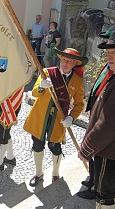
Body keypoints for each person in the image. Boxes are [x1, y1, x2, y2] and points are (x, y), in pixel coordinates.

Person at [78, 29, 115, 209]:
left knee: (103, 194)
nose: (109, 57)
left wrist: (86, 149)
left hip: (111, 151)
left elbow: (109, 124)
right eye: (108, 53)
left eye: (114, 52)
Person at [24, 48, 87, 187]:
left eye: (69, 61)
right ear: (60, 59)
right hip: (40, 117)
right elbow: (34, 93)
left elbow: (79, 104)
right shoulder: (47, 73)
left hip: (58, 121)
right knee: (37, 145)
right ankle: (39, 174)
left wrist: (71, 118)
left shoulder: (77, 81)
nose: (65, 63)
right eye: (64, 60)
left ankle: (55, 174)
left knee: (55, 147)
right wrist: (41, 86)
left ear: (74, 64)